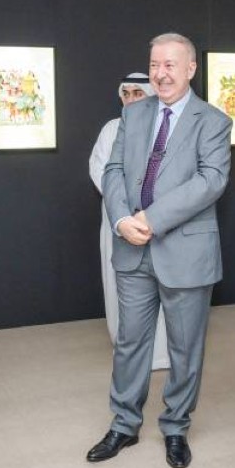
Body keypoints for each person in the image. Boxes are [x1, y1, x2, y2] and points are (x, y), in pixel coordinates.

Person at [87, 33, 231, 468]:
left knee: (186, 348)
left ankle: (175, 427)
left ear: (190, 69)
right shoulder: (133, 114)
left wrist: (150, 218)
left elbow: (211, 180)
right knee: (130, 342)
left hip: (185, 251)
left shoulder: (214, 121)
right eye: (154, 65)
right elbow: (113, 169)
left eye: (170, 65)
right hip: (132, 247)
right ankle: (124, 424)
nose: (160, 74)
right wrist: (121, 220)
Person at [88, 73, 170, 370]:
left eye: (138, 93)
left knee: (164, 281)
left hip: (157, 218)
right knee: (123, 281)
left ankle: (162, 353)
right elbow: (99, 170)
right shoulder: (111, 129)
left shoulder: (165, 124)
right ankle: (126, 345)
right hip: (119, 218)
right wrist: (124, 211)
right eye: (127, 93)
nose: (132, 99)